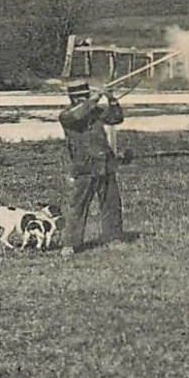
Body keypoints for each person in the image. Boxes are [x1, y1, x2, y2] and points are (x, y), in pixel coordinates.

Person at [58, 78, 125, 255]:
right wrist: (95, 98)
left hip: (104, 163)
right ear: (72, 98)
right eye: (79, 98)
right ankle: (70, 243)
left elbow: (116, 118)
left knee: (111, 203)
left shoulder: (95, 112)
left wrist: (112, 100)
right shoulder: (66, 116)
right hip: (84, 166)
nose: (82, 100)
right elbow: (78, 114)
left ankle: (114, 238)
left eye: (84, 96)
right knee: (78, 206)